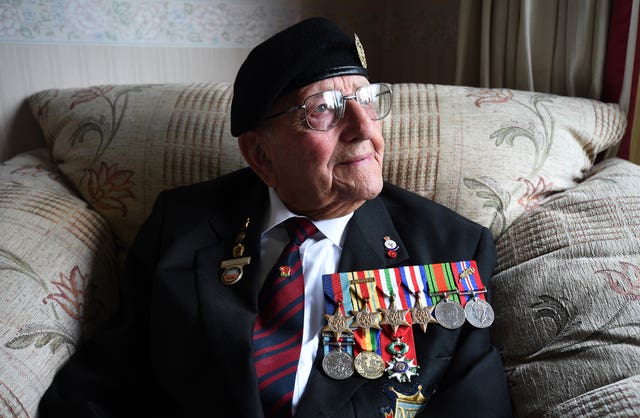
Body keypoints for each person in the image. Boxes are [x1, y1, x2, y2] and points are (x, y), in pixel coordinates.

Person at [38, 16, 512, 418]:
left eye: (368, 99)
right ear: (260, 154)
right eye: (324, 109)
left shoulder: (452, 249)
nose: (365, 129)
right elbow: (99, 390)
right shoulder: (179, 226)